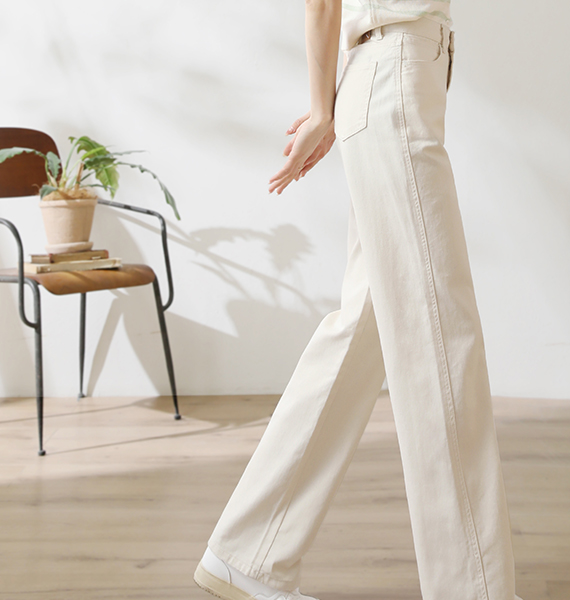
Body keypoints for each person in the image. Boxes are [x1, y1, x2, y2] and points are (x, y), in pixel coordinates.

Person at [194, 1, 522, 599]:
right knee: (441, 335)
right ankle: (471, 590)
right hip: (393, 73)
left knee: (366, 325)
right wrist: (321, 109)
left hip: (400, 74)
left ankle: (249, 553)